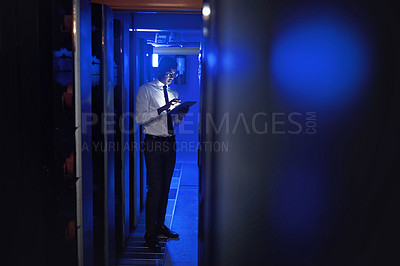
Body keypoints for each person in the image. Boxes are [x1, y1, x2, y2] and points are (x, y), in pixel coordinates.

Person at [135, 56, 189, 252]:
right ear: (160, 70)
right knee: (155, 189)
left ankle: (160, 225)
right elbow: (140, 119)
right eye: (169, 73)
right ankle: (150, 233)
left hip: (170, 144)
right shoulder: (146, 90)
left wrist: (179, 116)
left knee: (166, 187)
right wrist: (163, 108)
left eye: (174, 74)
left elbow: (172, 123)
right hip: (153, 145)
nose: (171, 77)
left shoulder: (173, 91)